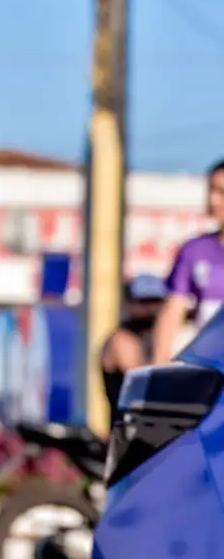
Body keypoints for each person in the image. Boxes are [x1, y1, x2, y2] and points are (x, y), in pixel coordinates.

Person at [153, 159, 224, 364]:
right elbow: (173, 310)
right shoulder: (194, 250)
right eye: (211, 190)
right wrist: (160, 365)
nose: (213, 200)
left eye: (222, 192)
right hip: (212, 368)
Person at [100, 273, 167, 430]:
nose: (151, 308)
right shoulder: (121, 339)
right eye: (143, 302)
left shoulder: (156, 337)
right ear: (129, 303)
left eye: (156, 301)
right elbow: (145, 380)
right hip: (128, 434)